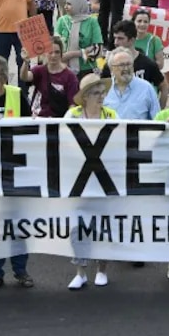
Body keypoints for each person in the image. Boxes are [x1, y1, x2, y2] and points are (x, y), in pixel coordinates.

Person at [64, 74, 114, 290]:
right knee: (78, 226)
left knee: (104, 225)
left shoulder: (111, 115)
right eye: (96, 93)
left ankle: (101, 270)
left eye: (102, 92)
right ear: (85, 97)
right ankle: (80, 272)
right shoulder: (72, 115)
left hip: (104, 178)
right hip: (79, 179)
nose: (101, 96)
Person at [20, 37, 80, 118]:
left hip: (58, 120)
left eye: (57, 52)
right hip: (38, 119)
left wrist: (66, 122)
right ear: (45, 53)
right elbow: (25, 77)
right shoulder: (39, 70)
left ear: (62, 53)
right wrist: (26, 62)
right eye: (50, 52)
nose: (53, 55)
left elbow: (72, 105)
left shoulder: (70, 77)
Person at [55, 0, 103, 79]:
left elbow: (97, 49)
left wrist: (72, 54)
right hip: (65, 68)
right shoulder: (62, 21)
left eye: (69, 4)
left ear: (79, 4)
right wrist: (85, 51)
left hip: (87, 69)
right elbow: (55, 44)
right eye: (65, 3)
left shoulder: (92, 22)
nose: (65, 7)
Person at [104, 47, 160, 119]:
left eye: (129, 64)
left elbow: (157, 120)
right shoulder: (104, 89)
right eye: (121, 65)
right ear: (112, 69)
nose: (126, 68)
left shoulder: (146, 88)